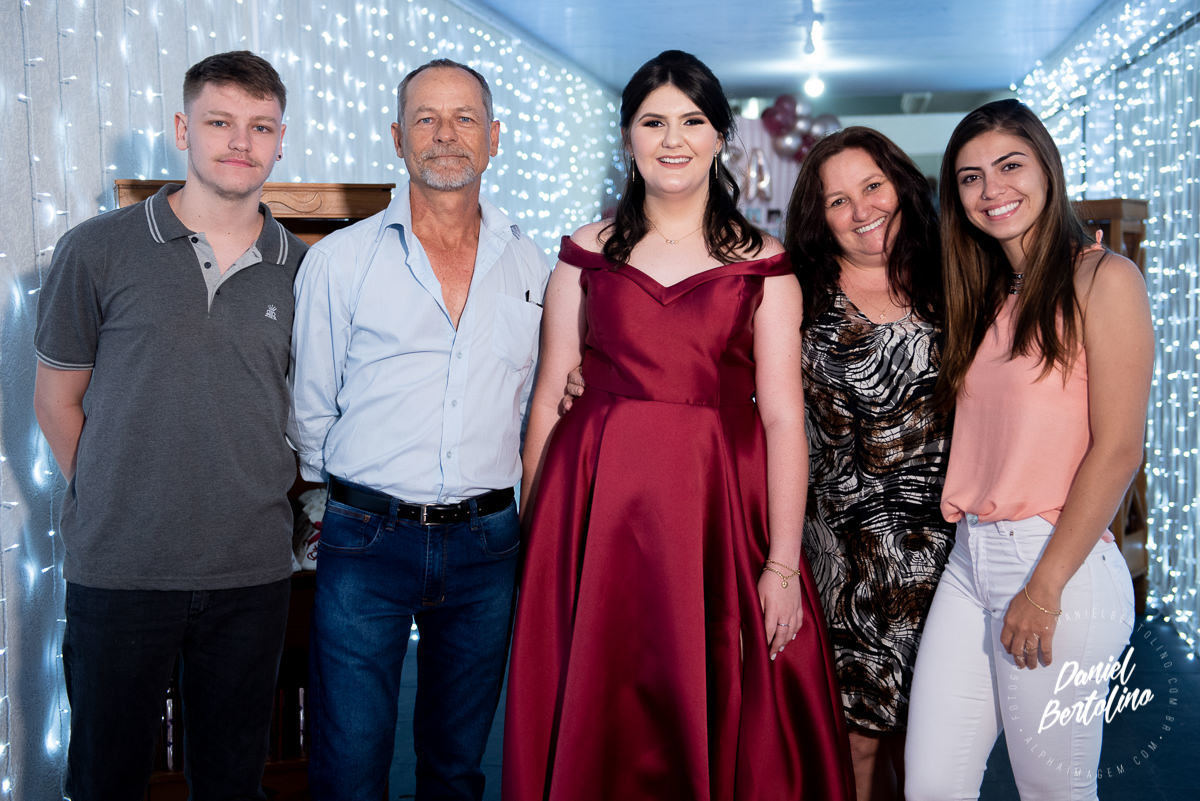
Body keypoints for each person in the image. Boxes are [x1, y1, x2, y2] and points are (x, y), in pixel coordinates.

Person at [502, 49, 854, 801]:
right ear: (627, 135)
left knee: (718, 689)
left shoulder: (765, 264)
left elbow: (787, 419)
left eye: (692, 121)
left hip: (717, 508)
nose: (672, 139)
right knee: (599, 694)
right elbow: (545, 399)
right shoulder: (582, 253)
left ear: (721, 135)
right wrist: (538, 534)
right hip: (592, 511)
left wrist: (783, 563)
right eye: (653, 121)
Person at [33, 51, 303, 799]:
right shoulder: (97, 249)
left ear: (281, 139)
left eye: (259, 127)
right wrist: (114, 500)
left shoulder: (303, 268)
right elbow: (56, 399)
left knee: (230, 781)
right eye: (220, 122)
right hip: (120, 573)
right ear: (184, 128)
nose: (239, 142)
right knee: (105, 777)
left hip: (250, 574)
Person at [288, 59, 548, 801]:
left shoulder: (533, 266)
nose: (445, 135)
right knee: (347, 769)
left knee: (457, 768)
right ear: (397, 136)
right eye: (426, 118)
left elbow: (531, 400)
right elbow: (311, 406)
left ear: (493, 138)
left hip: (487, 545)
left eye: (465, 118)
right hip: (366, 540)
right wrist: (347, 492)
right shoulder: (339, 261)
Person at [905, 99, 1153, 800]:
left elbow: (1120, 448)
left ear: (1047, 167)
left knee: (1054, 790)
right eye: (970, 178)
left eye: (1009, 166)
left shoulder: (1105, 280)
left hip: (1057, 565)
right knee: (930, 785)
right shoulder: (986, 295)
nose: (992, 190)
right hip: (971, 559)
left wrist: (1043, 590)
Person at [783, 127, 955, 800]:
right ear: (818, 219)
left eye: (872, 187)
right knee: (854, 741)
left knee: (936, 747)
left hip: (947, 558)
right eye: (837, 200)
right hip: (843, 563)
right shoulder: (794, 297)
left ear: (900, 185)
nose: (861, 211)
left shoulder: (954, 283)